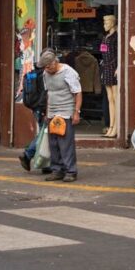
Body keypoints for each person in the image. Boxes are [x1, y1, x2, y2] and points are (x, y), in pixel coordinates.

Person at [40, 50, 81, 183]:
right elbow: (48, 93)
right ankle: (57, 170)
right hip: (52, 111)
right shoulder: (45, 73)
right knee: (53, 143)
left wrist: (76, 112)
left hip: (66, 110)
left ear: (55, 62)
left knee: (66, 143)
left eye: (48, 66)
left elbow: (78, 93)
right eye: (45, 67)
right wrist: (47, 112)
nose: (47, 69)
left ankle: (71, 171)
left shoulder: (68, 72)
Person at [19, 58, 50, 173]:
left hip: (35, 107)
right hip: (42, 109)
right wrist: (44, 110)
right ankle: (28, 155)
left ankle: (45, 164)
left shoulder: (32, 72)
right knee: (44, 136)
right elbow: (45, 92)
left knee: (44, 134)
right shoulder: (44, 75)